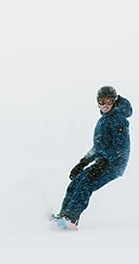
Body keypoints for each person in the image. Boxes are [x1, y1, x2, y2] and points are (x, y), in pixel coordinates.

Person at [52, 85, 133, 229]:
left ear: (114, 101)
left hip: (114, 164)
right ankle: (63, 215)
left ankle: (71, 219)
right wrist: (82, 163)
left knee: (85, 185)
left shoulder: (118, 119)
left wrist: (104, 162)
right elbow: (98, 147)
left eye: (109, 102)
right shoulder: (104, 120)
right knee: (76, 182)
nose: (105, 105)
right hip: (103, 162)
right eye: (102, 101)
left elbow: (120, 146)